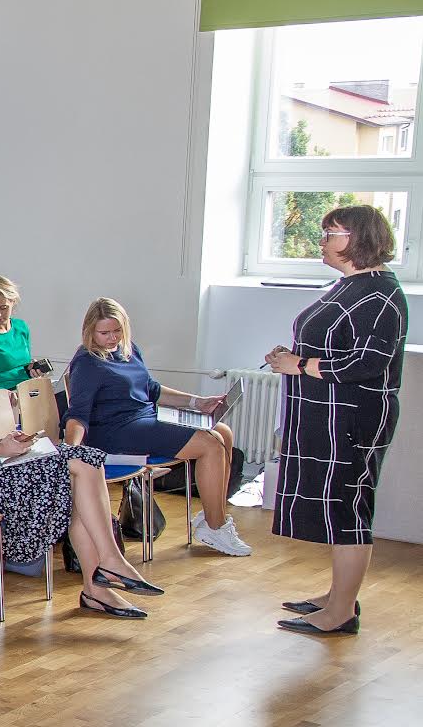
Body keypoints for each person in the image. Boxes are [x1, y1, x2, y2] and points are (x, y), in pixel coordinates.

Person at [0, 292, 151, 618]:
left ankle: (99, 583)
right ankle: (108, 567)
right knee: (79, 464)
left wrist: (2, 441)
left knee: (86, 461)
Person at [267, 204, 407, 636]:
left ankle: (341, 612)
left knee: (349, 508)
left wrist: (301, 365)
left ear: (359, 238)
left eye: (331, 233)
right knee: (334, 505)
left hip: (353, 417)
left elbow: (368, 362)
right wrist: (289, 359)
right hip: (327, 413)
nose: (322, 242)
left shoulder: (380, 293)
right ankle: (337, 595)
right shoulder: (351, 285)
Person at [63, 296, 249, 557]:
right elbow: (78, 412)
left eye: (117, 330)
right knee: (210, 444)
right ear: (90, 331)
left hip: (144, 418)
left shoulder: (129, 350)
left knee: (223, 432)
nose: (112, 338)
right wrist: (70, 449)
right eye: (104, 332)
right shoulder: (87, 362)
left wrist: (199, 402)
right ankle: (216, 528)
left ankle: (211, 517)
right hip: (116, 431)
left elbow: (151, 389)